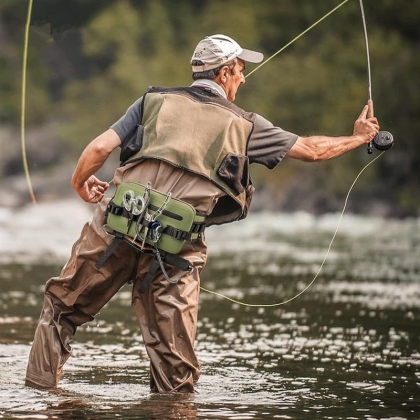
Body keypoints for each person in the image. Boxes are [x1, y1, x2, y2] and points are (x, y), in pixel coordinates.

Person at [25, 34, 380, 393]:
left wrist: (79, 183)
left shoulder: (153, 100)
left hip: (113, 228)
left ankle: (41, 400)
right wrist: (358, 138)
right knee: (174, 366)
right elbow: (311, 150)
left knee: (60, 311)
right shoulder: (246, 125)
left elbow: (100, 147)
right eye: (240, 70)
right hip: (174, 252)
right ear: (224, 73)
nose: (242, 78)